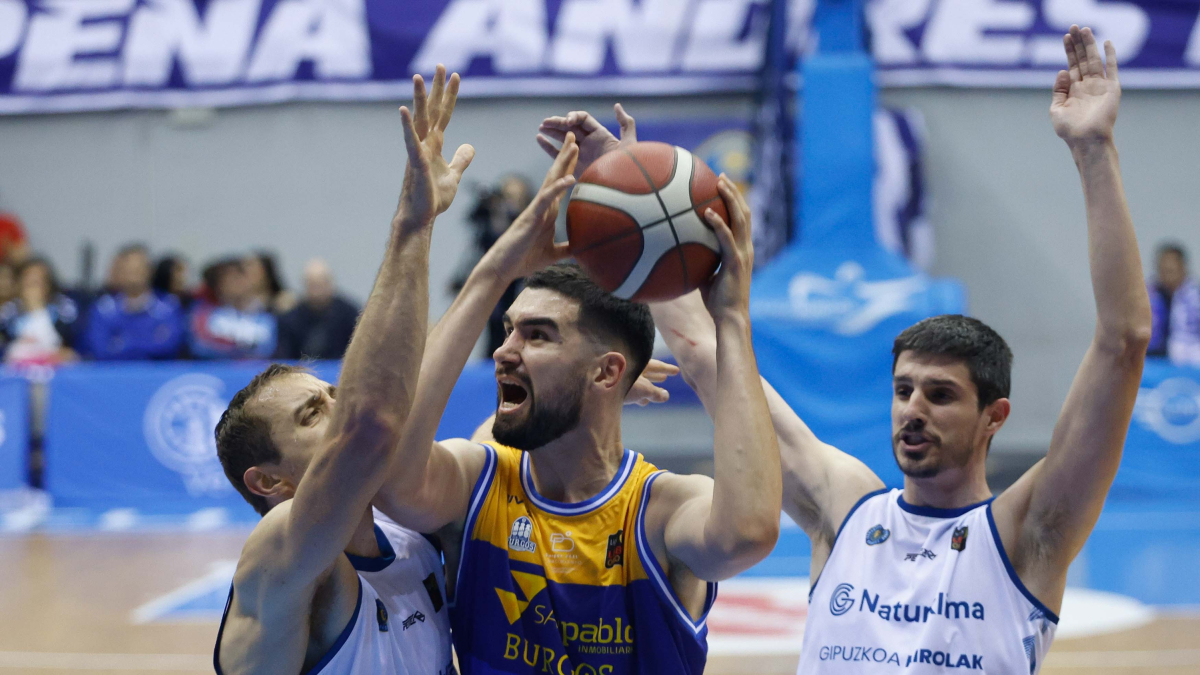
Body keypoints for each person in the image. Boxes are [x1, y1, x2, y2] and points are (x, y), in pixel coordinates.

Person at [648, 26, 1150, 673]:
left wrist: (1093, 150)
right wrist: (643, 222)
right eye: (904, 389)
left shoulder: (1028, 530)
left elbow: (1123, 341)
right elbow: (704, 357)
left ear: (994, 416)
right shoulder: (845, 508)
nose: (913, 408)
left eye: (940, 395)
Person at [372, 125, 781, 673]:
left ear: (608, 373)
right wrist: (494, 272)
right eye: (509, 329)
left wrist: (729, 317)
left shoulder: (659, 510)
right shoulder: (481, 479)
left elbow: (748, 533)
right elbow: (393, 478)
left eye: (537, 335)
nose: (503, 351)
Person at [212, 65, 475, 675]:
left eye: (331, 394)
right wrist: (413, 227)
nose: (339, 407)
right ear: (269, 482)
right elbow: (375, 422)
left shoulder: (412, 534)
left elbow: (417, 414)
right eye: (312, 414)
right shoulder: (282, 554)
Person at [453, 174, 535, 354]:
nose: (506, 205)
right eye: (504, 197)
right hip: (494, 309)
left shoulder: (538, 237)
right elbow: (473, 220)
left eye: (513, 199)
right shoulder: (491, 229)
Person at [84, 244, 185, 360]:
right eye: (129, 270)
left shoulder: (168, 307)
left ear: (149, 271)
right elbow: (100, 349)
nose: (134, 276)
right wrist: (149, 340)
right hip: (115, 374)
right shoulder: (103, 309)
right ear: (120, 272)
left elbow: (169, 346)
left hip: (156, 374)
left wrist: (122, 343)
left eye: (138, 270)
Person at [189, 258, 277, 359]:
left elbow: (267, 349)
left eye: (237, 277)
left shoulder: (266, 316)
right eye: (226, 279)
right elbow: (201, 347)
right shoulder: (207, 315)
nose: (233, 284)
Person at [0, 257, 79, 365]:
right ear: (19, 285)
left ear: (48, 286)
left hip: (57, 371)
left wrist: (38, 310)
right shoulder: (8, 313)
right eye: (28, 283)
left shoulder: (63, 311)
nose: (33, 289)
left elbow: (73, 349)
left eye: (37, 282)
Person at [275, 259, 360, 360]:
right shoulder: (290, 319)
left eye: (321, 284)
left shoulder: (350, 314)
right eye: (312, 285)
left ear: (330, 283)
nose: (317, 292)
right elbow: (284, 357)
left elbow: (357, 352)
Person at [1147, 242, 1200, 365]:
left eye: (1171, 271)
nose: (1167, 276)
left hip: (1192, 365)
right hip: (1154, 362)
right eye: (1163, 270)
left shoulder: (1196, 297)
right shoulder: (1147, 296)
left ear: (1183, 268)